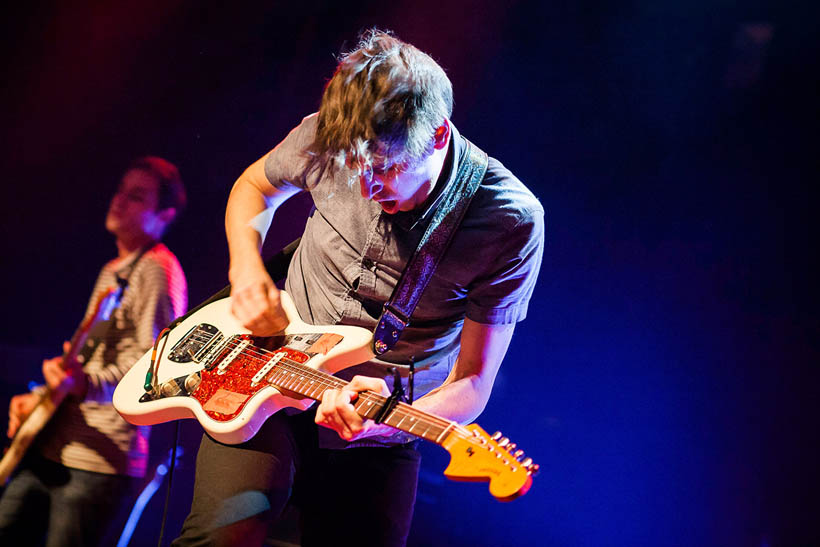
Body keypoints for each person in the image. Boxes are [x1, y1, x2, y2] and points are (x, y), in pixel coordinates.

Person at [173, 29, 544, 547]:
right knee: (223, 535)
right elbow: (255, 187)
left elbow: (473, 384)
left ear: (438, 135)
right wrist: (246, 270)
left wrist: (385, 422)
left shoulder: (509, 221)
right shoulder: (330, 133)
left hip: (381, 412)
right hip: (263, 372)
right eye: (355, 167)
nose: (367, 188)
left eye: (387, 168)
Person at [0, 157, 189, 546]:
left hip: (97, 464)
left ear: (164, 214)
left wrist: (83, 384)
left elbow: (152, 368)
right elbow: (87, 365)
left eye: (136, 196)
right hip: (57, 446)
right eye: (121, 190)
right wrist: (42, 393)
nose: (118, 200)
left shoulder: (157, 269)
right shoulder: (113, 269)